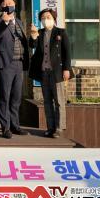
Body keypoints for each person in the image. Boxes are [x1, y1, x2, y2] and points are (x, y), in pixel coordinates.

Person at [0, 0, 30, 139]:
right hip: (5, 63)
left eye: (10, 3)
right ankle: (5, 128)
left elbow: (23, 41)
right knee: (5, 96)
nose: (8, 5)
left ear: (14, 5)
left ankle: (15, 125)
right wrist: (5, 22)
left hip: (19, 63)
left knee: (16, 97)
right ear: (1, 6)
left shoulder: (18, 21)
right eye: (5, 3)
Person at [29, 8, 71, 138]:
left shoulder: (61, 32)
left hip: (57, 71)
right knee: (47, 101)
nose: (45, 20)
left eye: (48, 17)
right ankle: (50, 127)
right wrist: (33, 35)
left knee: (59, 101)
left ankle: (59, 128)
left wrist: (66, 69)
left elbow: (67, 52)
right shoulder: (40, 33)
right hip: (43, 72)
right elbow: (32, 45)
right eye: (43, 18)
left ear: (54, 19)